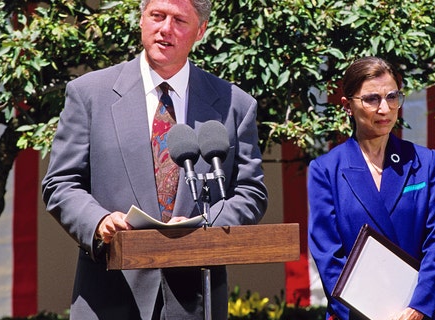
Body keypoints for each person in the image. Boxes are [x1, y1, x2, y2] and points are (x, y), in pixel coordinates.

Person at [41, 0, 268, 318]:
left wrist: (204, 225)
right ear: (142, 20)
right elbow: (61, 183)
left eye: (179, 20)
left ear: (200, 30)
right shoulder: (90, 94)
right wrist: (99, 222)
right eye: (157, 16)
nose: (165, 29)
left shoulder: (234, 105)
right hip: (110, 292)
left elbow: (250, 193)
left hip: (195, 298)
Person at [307, 56, 435, 320]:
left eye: (392, 97)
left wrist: (419, 307)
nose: (385, 109)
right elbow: (328, 255)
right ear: (347, 106)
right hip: (354, 314)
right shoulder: (326, 170)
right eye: (372, 99)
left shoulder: (425, 163)